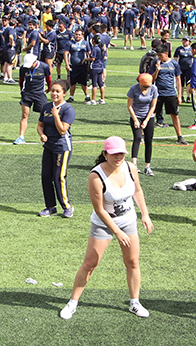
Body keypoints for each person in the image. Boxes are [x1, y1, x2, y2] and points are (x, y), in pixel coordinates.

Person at [59, 136, 153, 320]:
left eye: (121, 154)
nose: (118, 157)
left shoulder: (130, 168)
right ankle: (72, 303)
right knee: (90, 263)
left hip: (128, 221)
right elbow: (100, 210)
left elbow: (137, 191)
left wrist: (145, 214)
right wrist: (117, 232)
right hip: (103, 225)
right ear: (105, 154)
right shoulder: (96, 176)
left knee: (133, 262)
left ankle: (135, 303)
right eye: (114, 154)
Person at [37, 79, 75, 218]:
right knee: (46, 176)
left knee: (59, 176)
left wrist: (55, 115)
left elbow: (62, 130)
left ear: (64, 93)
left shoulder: (67, 109)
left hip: (62, 147)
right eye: (52, 91)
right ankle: (50, 207)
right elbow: (40, 125)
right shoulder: (46, 107)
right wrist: (42, 135)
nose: (54, 94)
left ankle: (67, 206)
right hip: (48, 146)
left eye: (57, 91)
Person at [15, 53, 51, 145]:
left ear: (35, 62)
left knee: (44, 115)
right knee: (24, 115)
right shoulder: (24, 68)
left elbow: (48, 79)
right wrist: (22, 91)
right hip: (27, 94)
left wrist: (49, 88)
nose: (29, 67)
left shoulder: (44, 66)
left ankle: (46, 136)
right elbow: (21, 80)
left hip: (39, 94)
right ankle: (21, 137)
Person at [126, 73, 158, 176]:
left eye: (147, 86)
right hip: (136, 115)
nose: (146, 88)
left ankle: (147, 166)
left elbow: (153, 107)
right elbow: (129, 106)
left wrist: (146, 120)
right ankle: (134, 164)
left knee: (149, 140)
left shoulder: (153, 89)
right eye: (144, 86)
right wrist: (135, 119)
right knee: (138, 137)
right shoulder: (133, 89)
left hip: (148, 116)